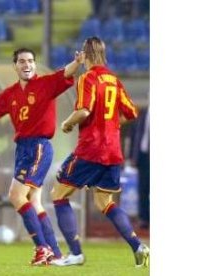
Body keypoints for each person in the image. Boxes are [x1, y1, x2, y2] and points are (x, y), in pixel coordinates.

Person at [0, 48, 82, 265]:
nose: (27, 64)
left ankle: (42, 249)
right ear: (16, 66)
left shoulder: (46, 84)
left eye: (31, 60)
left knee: (15, 195)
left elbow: (66, 73)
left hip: (38, 147)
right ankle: (56, 253)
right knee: (34, 202)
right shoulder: (9, 94)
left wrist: (77, 62)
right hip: (23, 149)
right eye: (22, 61)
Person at [50, 37, 150, 267]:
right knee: (104, 201)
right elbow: (132, 112)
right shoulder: (114, 80)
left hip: (90, 149)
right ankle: (138, 246)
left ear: (84, 55)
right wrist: (112, 125)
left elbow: (84, 111)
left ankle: (75, 253)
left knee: (58, 194)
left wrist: (67, 123)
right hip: (112, 152)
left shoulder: (88, 78)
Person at [130, 105, 150, 229]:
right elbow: (135, 135)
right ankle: (144, 218)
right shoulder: (143, 113)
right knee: (143, 188)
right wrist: (133, 155)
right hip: (143, 156)